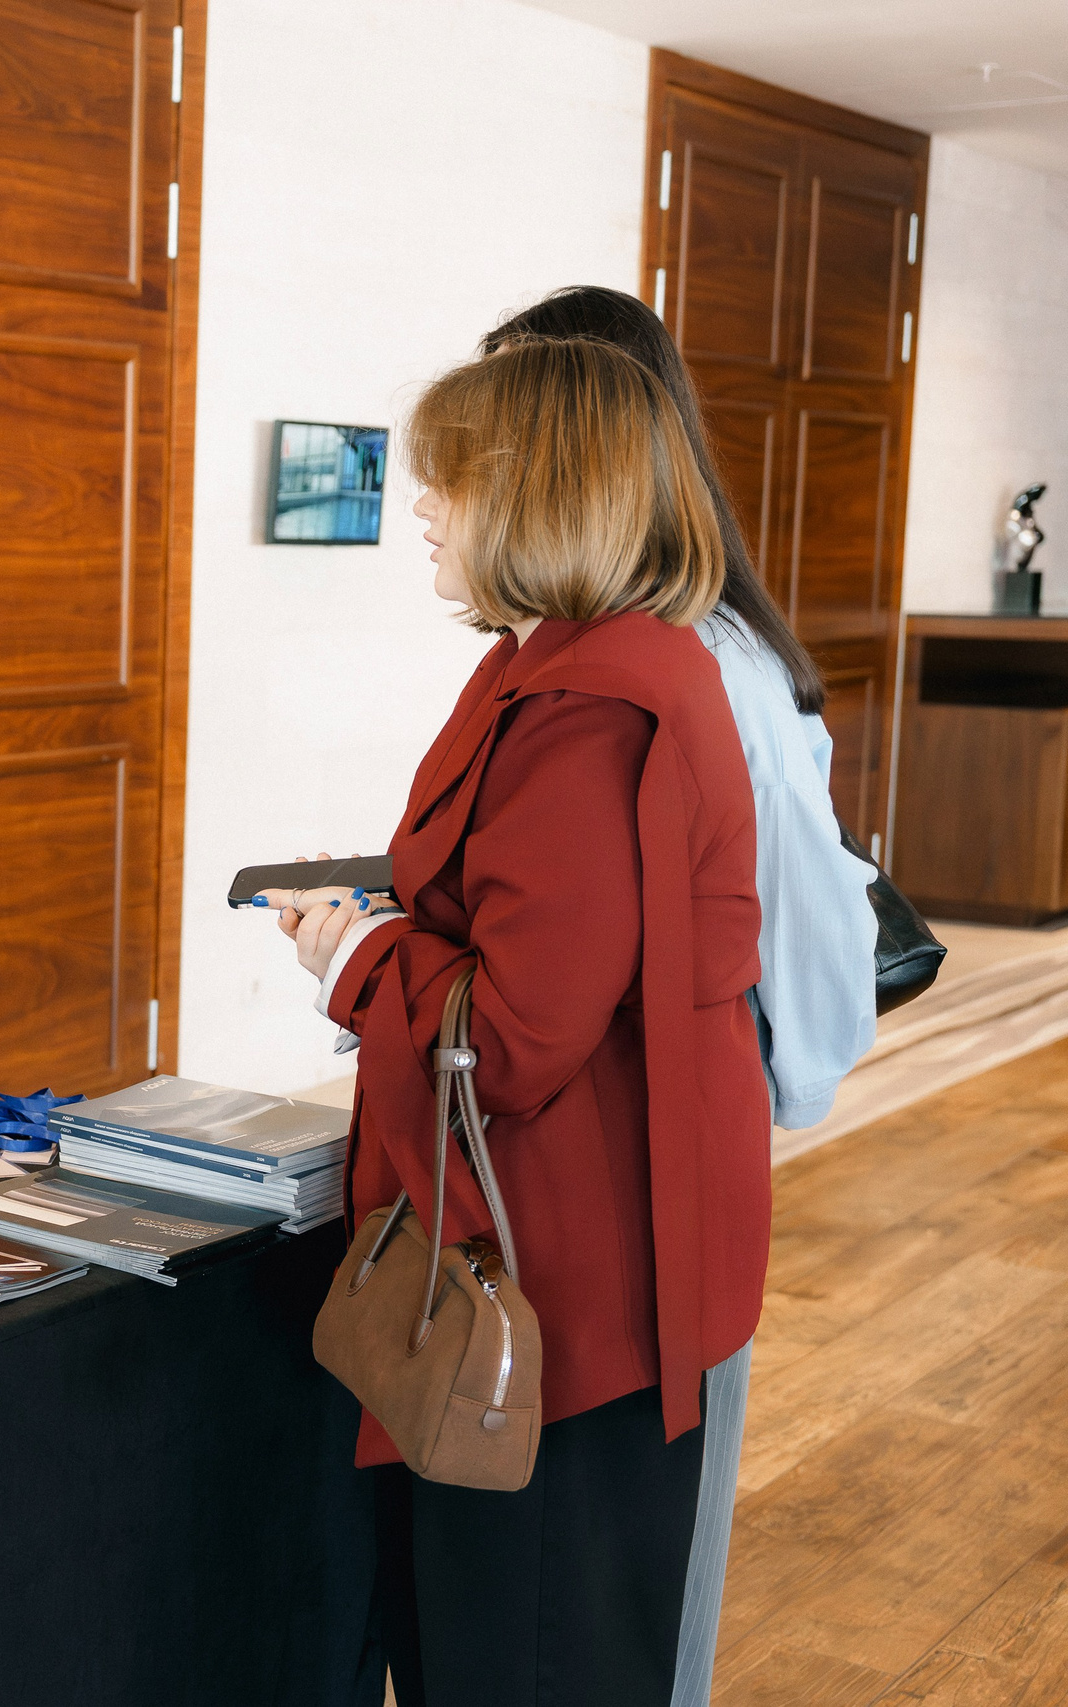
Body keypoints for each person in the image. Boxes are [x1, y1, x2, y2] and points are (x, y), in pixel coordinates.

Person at [259, 338, 767, 1707]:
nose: (421, 508)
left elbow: (523, 1032)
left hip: (563, 1279)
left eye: (448, 481)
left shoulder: (592, 711)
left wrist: (362, 954)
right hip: (552, 1242)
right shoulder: (557, 667)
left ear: (536, 492)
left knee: (523, 1651)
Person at [479, 286, 877, 1707]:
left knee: (641, 1600)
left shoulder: (700, 668)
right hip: (597, 1162)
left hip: (662, 1167)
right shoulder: (581, 651)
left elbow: (812, 948)